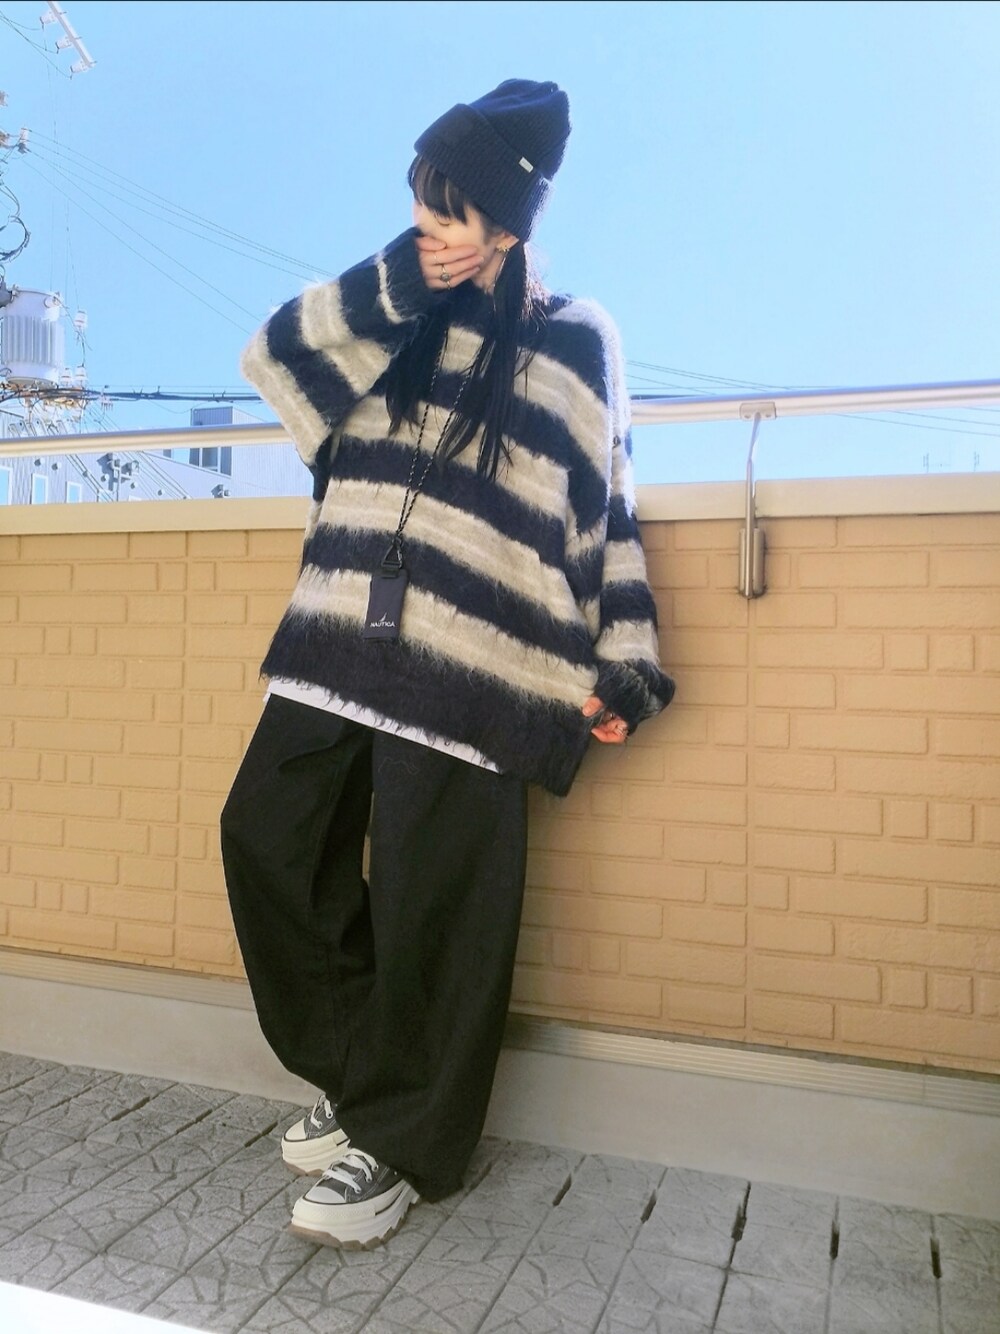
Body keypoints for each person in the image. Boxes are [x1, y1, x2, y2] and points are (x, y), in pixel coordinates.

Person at [221, 78, 674, 1251]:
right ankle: (370, 1077)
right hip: (337, 633)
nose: (433, 221)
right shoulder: (388, 309)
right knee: (267, 839)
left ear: (510, 220)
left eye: (456, 203)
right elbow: (272, 355)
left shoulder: (574, 335)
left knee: (436, 902)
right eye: (423, 197)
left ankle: (404, 1142)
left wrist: (625, 657)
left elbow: (605, 505)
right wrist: (402, 277)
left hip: (480, 660)